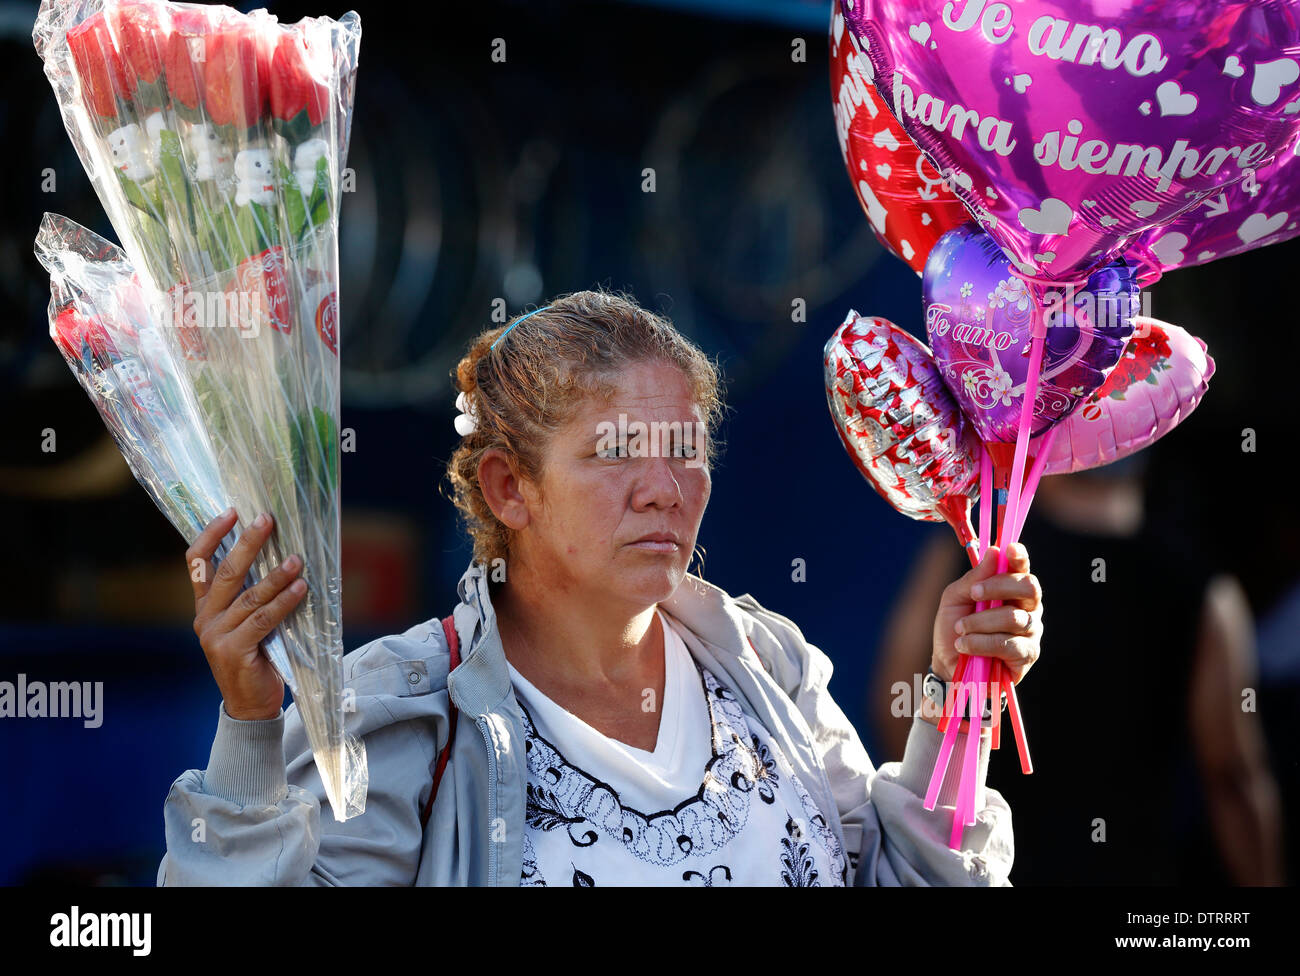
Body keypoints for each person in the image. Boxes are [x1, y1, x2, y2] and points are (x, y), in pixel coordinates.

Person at [157, 290, 1045, 886]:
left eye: (686, 452)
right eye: (618, 450)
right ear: (511, 488)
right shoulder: (402, 715)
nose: (665, 487)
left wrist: (956, 693)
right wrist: (249, 724)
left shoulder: (768, 669)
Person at [872, 460, 1283, 885]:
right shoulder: (1204, 592)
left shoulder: (973, 559)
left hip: (986, 868)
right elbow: (1233, 778)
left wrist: (924, 835)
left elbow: (895, 704)